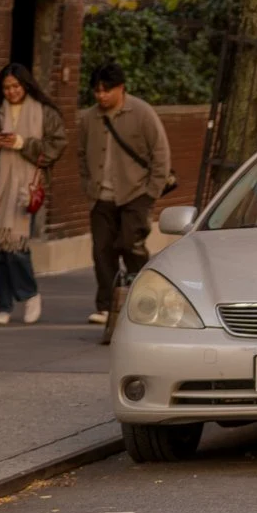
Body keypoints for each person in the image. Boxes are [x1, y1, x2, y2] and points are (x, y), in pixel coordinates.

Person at [0, 63, 67, 324]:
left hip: (26, 191)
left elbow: (56, 148)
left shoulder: (46, 114)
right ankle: (4, 305)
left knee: (17, 249)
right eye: (6, 88)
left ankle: (30, 294)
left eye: (15, 86)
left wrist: (23, 143)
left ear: (26, 85)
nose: (11, 92)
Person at [80, 62, 172, 325]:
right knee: (102, 251)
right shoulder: (89, 119)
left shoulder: (141, 112)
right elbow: (81, 156)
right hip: (101, 196)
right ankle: (108, 306)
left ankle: (145, 300)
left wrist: (151, 191)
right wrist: (89, 187)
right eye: (96, 91)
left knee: (132, 247)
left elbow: (160, 153)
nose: (101, 96)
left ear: (121, 88)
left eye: (106, 90)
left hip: (135, 193)